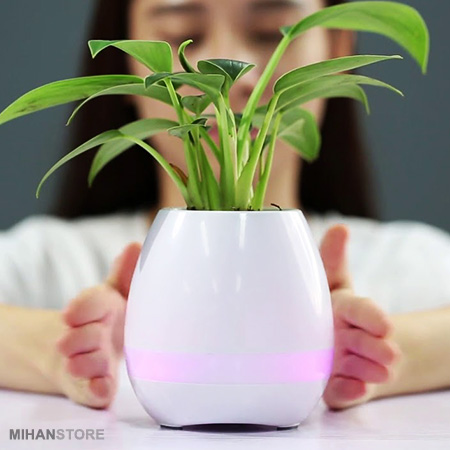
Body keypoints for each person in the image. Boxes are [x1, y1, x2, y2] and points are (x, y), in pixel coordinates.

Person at [1, 0, 449, 415]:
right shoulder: (48, 262)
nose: (234, 73)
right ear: (124, 61)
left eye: (271, 33)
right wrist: (61, 349)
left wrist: (379, 354)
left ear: (337, 51)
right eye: (181, 35)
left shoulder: (412, 265)